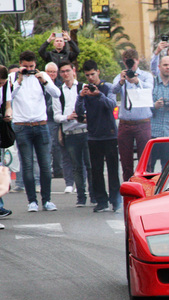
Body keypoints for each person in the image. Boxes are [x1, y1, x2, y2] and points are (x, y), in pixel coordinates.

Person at [10, 50, 61, 212]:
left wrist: (44, 81)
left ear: (35, 65)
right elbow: (8, 96)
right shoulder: (13, 78)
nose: (29, 69)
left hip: (41, 124)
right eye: (25, 67)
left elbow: (57, 93)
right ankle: (32, 201)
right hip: (22, 125)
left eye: (31, 66)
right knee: (27, 165)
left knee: (46, 165)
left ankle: (47, 200)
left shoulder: (42, 76)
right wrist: (19, 79)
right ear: (20, 65)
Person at [76, 60, 120, 213]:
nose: (90, 78)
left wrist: (99, 94)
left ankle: (115, 200)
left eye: (92, 74)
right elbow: (79, 112)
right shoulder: (85, 90)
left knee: (113, 170)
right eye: (87, 75)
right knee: (96, 171)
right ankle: (101, 201)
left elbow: (111, 105)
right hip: (93, 135)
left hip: (109, 134)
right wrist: (81, 97)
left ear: (98, 72)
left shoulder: (107, 87)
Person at [52, 61, 92, 207]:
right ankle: (81, 197)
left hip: (85, 130)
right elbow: (56, 115)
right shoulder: (58, 91)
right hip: (70, 132)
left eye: (67, 71)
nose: (65, 74)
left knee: (90, 165)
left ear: (73, 71)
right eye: (62, 71)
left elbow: (91, 107)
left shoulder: (82, 87)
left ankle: (94, 195)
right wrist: (68, 117)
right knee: (77, 167)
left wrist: (83, 115)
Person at [112, 49, 153, 181]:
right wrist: (122, 81)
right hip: (125, 124)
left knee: (146, 162)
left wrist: (136, 81)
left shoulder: (146, 76)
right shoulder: (121, 76)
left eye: (133, 63)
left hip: (143, 122)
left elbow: (150, 89)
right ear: (123, 62)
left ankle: (146, 191)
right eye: (127, 62)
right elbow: (113, 90)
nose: (130, 66)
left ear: (138, 61)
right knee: (126, 162)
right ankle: (129, 191)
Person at [44, 62, 72, 192]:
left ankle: (58, 170)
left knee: (57, 146)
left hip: (58, 120)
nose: (52, 74)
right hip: (45, 119)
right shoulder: (41, 83)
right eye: (50, 72)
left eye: (54, 72)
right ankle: (50, 171)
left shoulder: (60, 86)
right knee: (48, 146)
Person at [0, 66, 12, 221]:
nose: (1, 86)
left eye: (3, 83)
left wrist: (9, 113)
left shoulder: (5, 87)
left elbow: (8, 104)